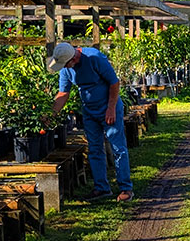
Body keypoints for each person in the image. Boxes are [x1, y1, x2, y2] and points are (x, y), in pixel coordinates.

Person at [48, 42, 133, 202]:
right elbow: (63, 94)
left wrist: (111, 108)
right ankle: (101, 188)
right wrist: (49, 114)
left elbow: (114, 83)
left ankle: (126, 188)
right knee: (94, 149)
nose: (65, 67)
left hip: (109, 107)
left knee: (117, 147)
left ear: (73, 59)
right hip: (89, 111)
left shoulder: (95, 57)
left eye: (66, 64)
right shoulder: (66, 69)